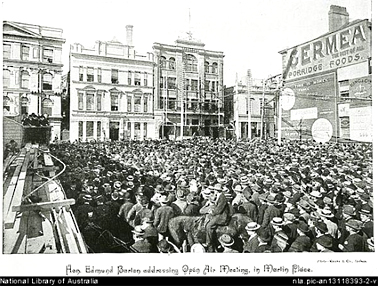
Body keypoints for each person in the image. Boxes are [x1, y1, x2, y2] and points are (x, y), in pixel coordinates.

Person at [204, 184, 231, 250]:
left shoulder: (222, 197)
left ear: (217, 190)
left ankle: (209, 242)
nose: (214, 191)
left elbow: (219, 209)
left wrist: (212, 212)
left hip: (222, 216)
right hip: (220, 214)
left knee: (209, 225)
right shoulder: (219, 196)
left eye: (215, 190)